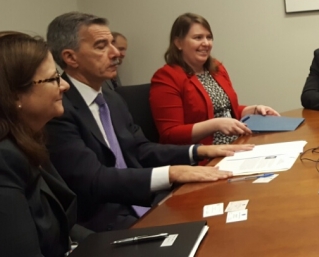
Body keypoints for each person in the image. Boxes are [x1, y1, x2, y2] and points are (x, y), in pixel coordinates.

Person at [44, 12, 252, 232]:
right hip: (104, 219)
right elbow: (93, 179)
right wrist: (171, 173)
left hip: (144, 201)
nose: (116, 53)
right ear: (71, 58)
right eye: (101, 46)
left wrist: (199, 151)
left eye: (112, 44)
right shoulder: (58, 109)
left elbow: (140, 149)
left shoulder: (112, 98)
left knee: (231, 218)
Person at [0, 32, 78, 256]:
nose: (65, 85)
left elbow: (63, 228)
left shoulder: (24, 138)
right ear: (13, 95)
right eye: (53, 78)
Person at [150, 13, 279, 145]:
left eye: (209, 37)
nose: (206, 43)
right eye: (198, 38)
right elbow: (170, 135)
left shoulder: (217, 68)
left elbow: (227, 112)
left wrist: (253, 110)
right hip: (206, 152)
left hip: (238, 144)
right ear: (178, 43)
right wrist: (215, 125)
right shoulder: (166, 77)